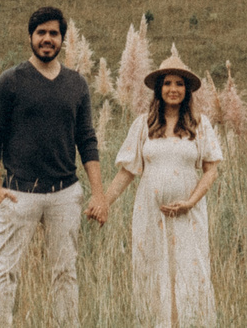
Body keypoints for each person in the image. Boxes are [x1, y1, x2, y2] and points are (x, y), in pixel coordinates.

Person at [0, 6, 105, 328]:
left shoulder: (76, 84)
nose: (47, 39)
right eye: (41, 33)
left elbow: (87, 139)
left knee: (65, 272)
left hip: (65, 193)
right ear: (31, 37)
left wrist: (98, 194)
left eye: (54, 33)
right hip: (19, 192)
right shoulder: (10, 81)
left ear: (62, 39)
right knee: (6, 271)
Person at [97, 49, 224, 328]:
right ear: (159, 88)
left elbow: (211, 170)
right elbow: (127, 171)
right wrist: (104, 201)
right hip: (150, 215)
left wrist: (190, 202)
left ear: (187, 90)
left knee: (188, 272)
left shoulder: (199, 125)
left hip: (188, 216)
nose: (173, 89)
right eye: (167, 83)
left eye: (179, 84)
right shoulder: (143, 125)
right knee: (154, 271)